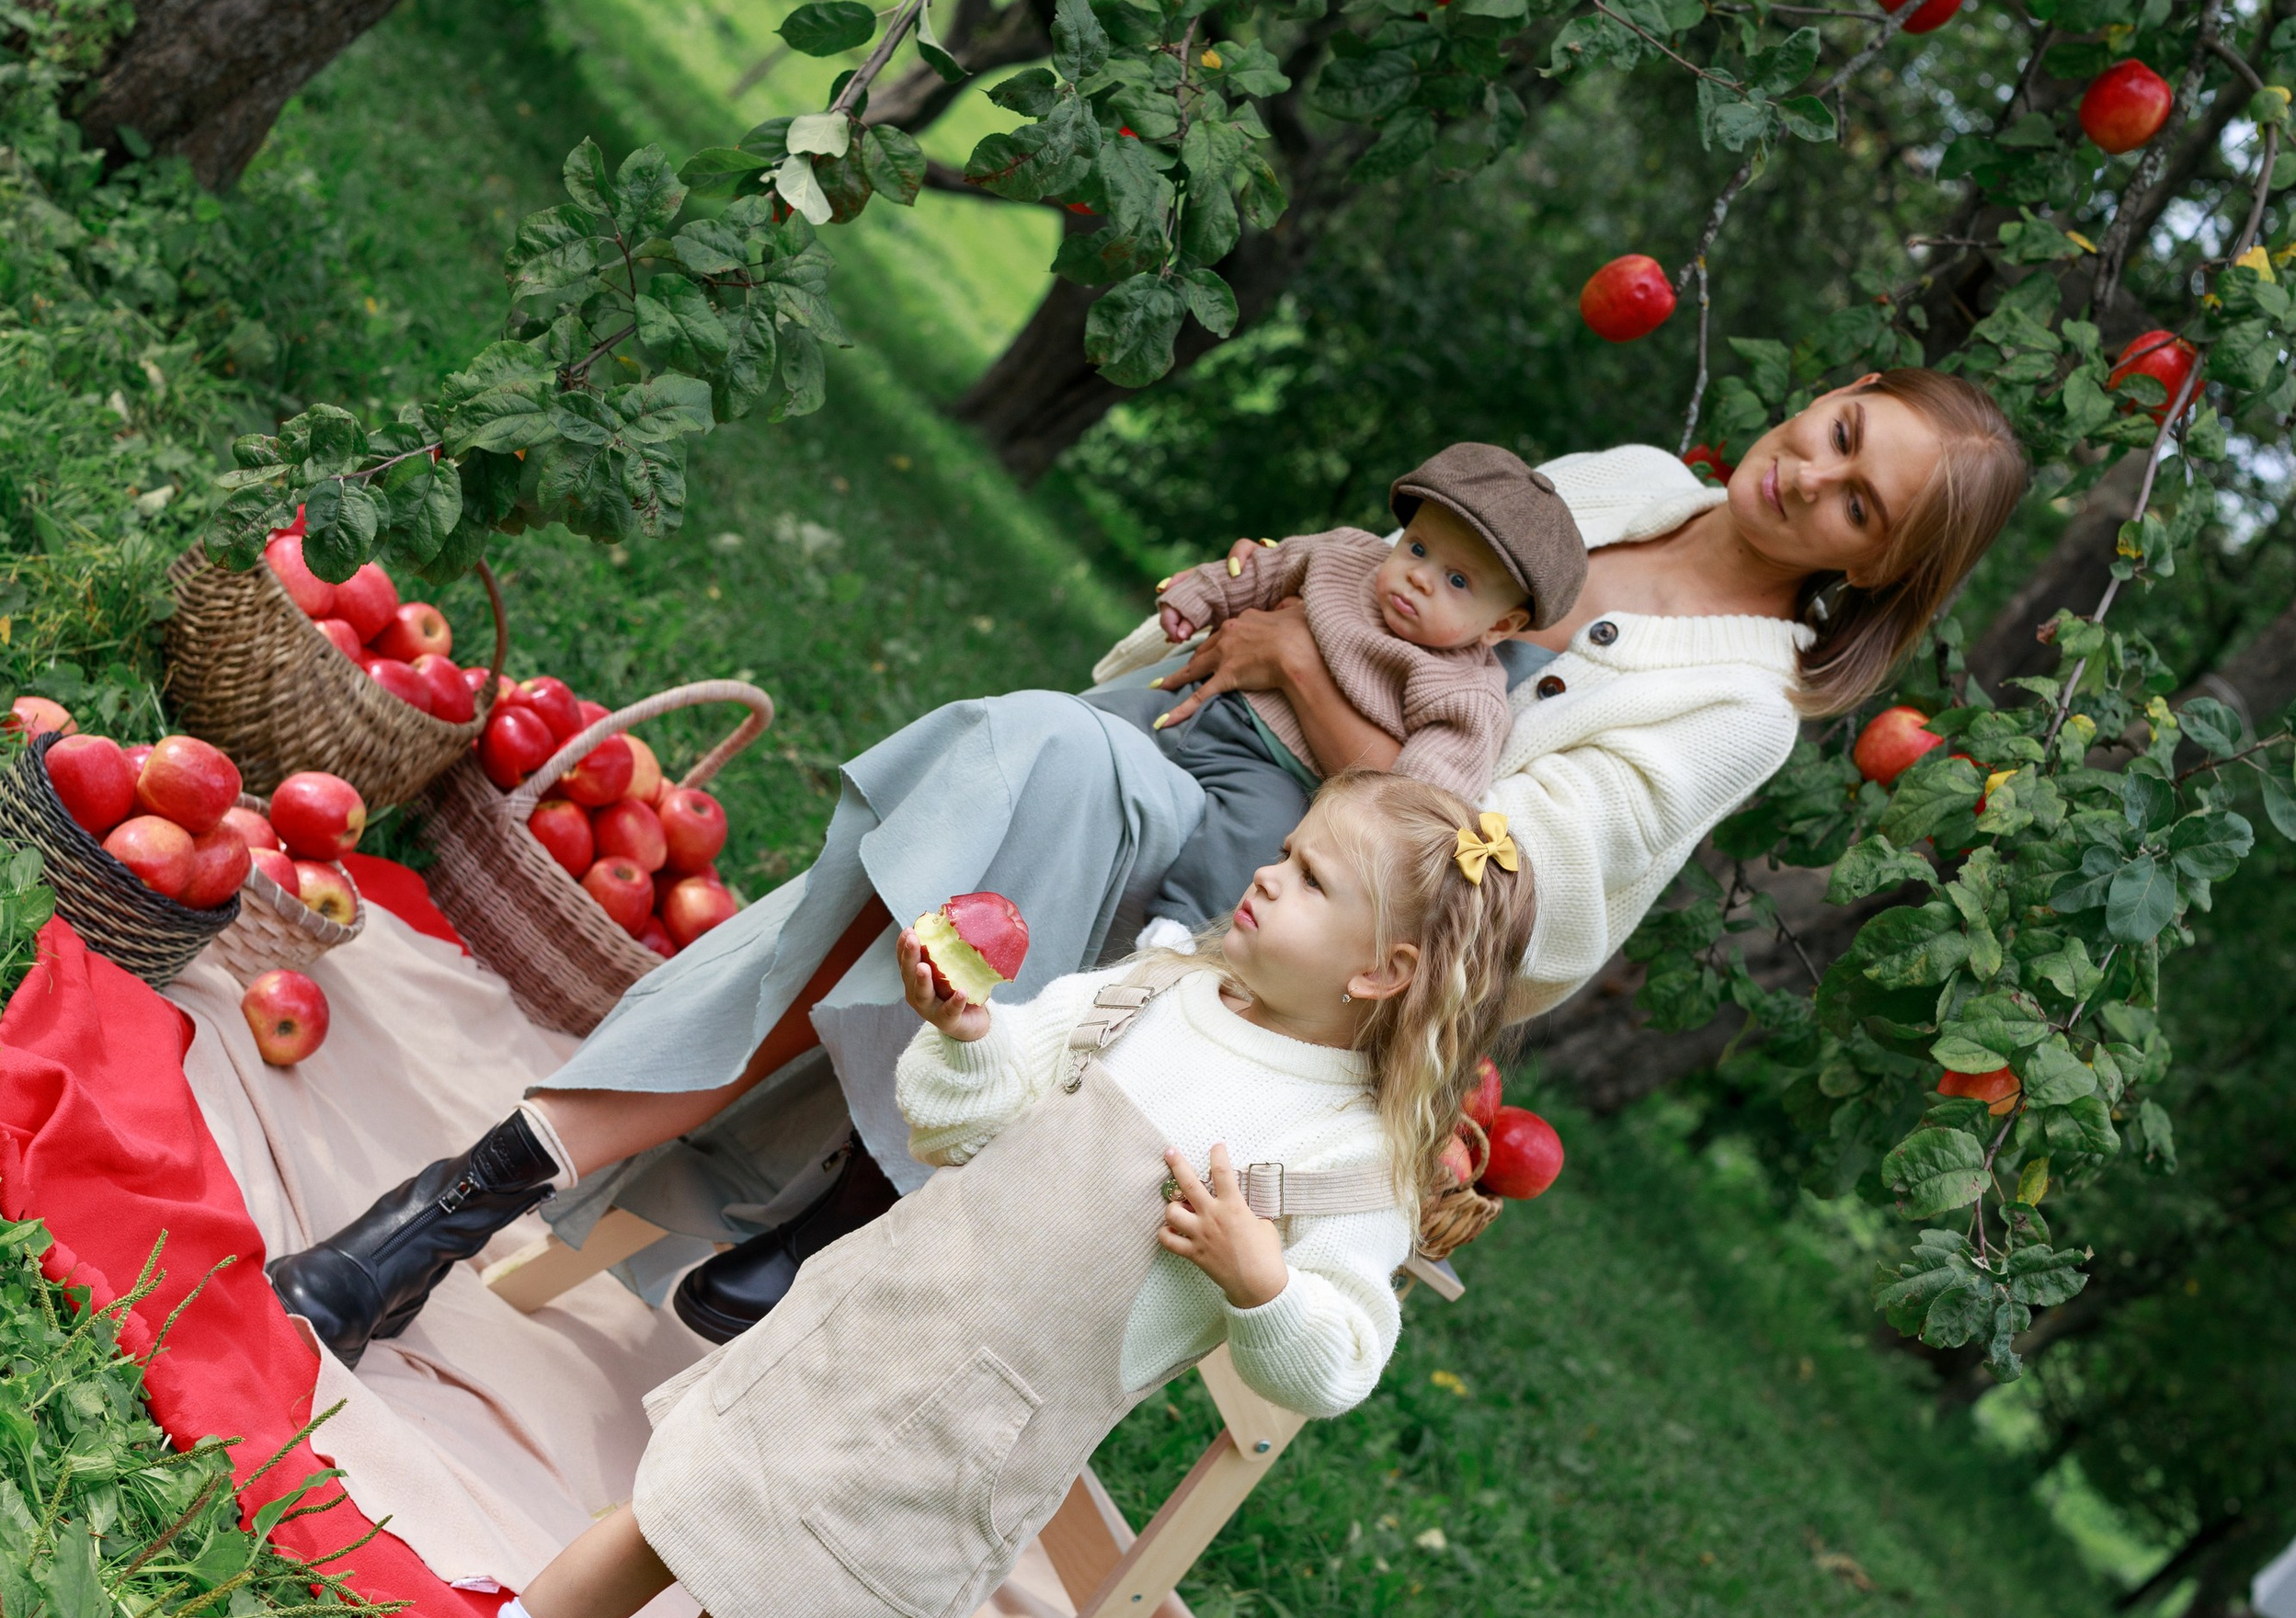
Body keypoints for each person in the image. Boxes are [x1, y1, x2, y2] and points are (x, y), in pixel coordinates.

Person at [266, 366, 2026, 1361]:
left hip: (1287, 945)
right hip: (1181, 778)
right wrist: (1266, 611)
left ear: (1874, 578)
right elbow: (1410, 577)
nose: (1817, 476)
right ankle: (578, 1206)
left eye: (1865, 508)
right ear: (1835, 391)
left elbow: (1515, 896)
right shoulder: (1629, 478)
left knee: (924, 867)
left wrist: (1302, 696)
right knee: (1021, 757)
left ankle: (541, 1213)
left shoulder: (1744, 711)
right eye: (1846, 432)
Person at [340, 772, 1536, 1618]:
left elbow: (1338, 1360)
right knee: (686, 1507)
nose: (1271, 876)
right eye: (1285, 851)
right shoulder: (1155, 989)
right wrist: (966, 1029)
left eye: (1313, 879)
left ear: (1385, 973)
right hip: (885, 1320)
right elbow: (973, 1117)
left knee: (774, 1605)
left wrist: (1261, 1282)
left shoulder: (1346, 1164)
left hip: (988, 1432)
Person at [1127, 440, 1587, 929]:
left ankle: (1176, 929)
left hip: (1275, 771)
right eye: (1418, 548)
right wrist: (1198, 595)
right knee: (1099, 721)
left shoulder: (1467, 693)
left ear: (1501, 626)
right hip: (1200, 700)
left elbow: (1418, 797)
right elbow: (1263, 570)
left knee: (1255, 833)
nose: (1420, 578)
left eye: (1457, 581)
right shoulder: (1346, 557)